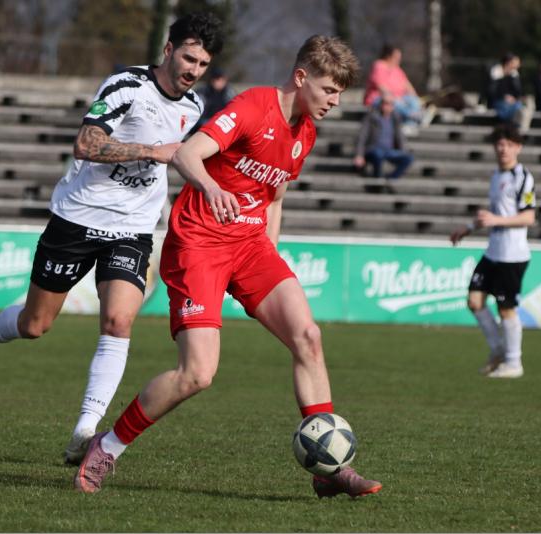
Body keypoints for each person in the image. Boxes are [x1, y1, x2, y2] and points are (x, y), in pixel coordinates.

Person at [73, 35, 382, 499]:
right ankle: (108, 446)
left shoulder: (306, 133)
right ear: (301, 78)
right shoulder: (255, 106)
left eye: (339, 93)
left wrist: (268, 251)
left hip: (251, 247)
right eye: (328, 90)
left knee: (308, 337)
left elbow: (275, 196)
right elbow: (187, 153)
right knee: (197, 373)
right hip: (199, 244)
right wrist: (212, 190)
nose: (335, 101)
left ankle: (328, 467)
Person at [0, 13, 223, 464]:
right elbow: (87, 143)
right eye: (188, 58)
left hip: (132, 228)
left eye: (203, 64)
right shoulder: (126, 86)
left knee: (118, 321)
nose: (193, 70)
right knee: (35, 325)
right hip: (76, 220)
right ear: (168, 50)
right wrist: (150, 152)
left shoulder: (194, 108)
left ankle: (85, 430)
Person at [449, 124, 536, 379]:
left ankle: (513, 362)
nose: (503, 149)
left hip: (512, 255)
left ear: (518, 147)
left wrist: (496, 220)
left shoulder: (523, 177)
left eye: (509, 144)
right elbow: (491, 216)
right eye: (499, 144)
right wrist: (466, 228)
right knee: (474, 301)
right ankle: (498, 350)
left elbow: (529, 217)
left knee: (506, 308)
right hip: (493, 252)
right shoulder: (496, 176)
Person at [362, 44, 430, 129]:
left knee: (413, 101)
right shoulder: (379, 66)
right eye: (396, 57)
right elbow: (381, 86)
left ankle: (410, 124)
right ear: (388, 56)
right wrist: (395, 98)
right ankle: (415, 117)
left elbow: (407, 85)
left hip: (398, 98)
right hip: (379, 99)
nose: (398, 60)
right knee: (397, 103)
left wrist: (416, 99)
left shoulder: (397, 69)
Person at [352, 94, 413, 182]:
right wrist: (359, 155)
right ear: (381, 104)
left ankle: (391, 180)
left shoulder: (395, 118)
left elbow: (400, 137)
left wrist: (403, 150)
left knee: (408, 158)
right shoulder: (371, 117)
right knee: (378, 154)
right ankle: (377, 179)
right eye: (386, 103)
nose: (388, 106)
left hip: (388, 151)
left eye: (391, 104)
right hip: (372, 149)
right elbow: (362, 136)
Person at [488, 52, 533, 133]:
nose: (518, 65)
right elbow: (491, 92)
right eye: (516, 62)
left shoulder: (514, 75)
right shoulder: (495, 72)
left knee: (523, 106)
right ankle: (512, 130)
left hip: (513, 102)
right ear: (508, 62)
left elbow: (518, 92)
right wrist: (504, 97)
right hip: (498, 101)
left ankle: (518, 131)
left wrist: (515, 98)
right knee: (514, 109)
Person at [193, 66, 235, 131]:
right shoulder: (202, 92)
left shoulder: (230, 94)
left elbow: (233, 112)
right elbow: (195, 113)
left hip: (223, 123)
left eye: (221, 79)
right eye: (216, 78)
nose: (218, 81)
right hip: (203, 123)